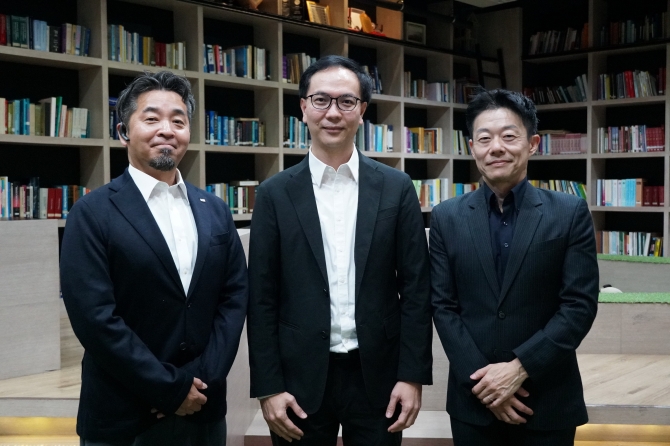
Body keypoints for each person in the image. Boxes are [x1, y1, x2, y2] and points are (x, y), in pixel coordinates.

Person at [247, 55, 432, 446]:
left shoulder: (396, 188)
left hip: (379, 377)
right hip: (298, 380)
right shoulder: (274, 194)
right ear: (303, 108)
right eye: (321, 100)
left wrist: (412, 375)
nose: (333, 113)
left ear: (362, 111)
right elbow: (261, 298)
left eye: (346, 101)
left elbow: (416, 289)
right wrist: (268, 386)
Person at [60, 71, 248, 445]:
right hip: (125, 414)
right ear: (123, 132)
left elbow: (233, 299)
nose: (167, 130)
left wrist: (201, 380)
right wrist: (168, 388)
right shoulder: (92, 213)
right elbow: (95, 318)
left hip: (204, 411)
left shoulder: (214, 209)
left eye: (178, 121)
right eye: (151, 119)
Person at [430, 88, 599, 446]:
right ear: (471, 147)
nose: (496, 147)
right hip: (474, 402)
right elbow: (443, 307)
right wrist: (485, 384)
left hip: (547, 400)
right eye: (484, 138)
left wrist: (519, 369)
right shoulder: (447, 217)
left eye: (509, 136)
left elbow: (578, 306)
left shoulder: (569, 212)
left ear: (533, 143)